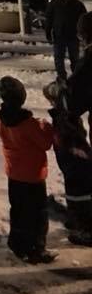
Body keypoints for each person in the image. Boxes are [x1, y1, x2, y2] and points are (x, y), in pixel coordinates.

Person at [0, 76, 56, 264]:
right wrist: (45, 126)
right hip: (32, 176)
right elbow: (45, 143)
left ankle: (19, 243)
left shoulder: (2, 119)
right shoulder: (28, 124)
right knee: (37, 213)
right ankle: (36, 248)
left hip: (14, 174)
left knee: (19, 210)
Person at [44, 80, 92, 246]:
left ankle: (84, 226)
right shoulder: (65, 119)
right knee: (79, 192)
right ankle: (82, 224)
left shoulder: (64, 119)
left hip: (76, 165)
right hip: (75, 165)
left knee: (80, 193)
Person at [45, 0, 87, 81]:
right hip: (59, 35)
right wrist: (48, 32)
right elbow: (49, 18)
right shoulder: (54, 3)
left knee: (74, 59)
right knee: (59, 59)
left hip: (73, 36)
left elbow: (84, 20)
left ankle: (76, 77)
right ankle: (62, 77)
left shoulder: (77, 4)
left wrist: (84, 34)